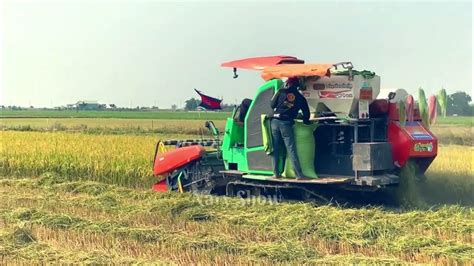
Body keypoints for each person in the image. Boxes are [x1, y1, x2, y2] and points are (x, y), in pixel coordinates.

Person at [270, 77, 311, 179]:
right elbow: (307, 114)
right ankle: (299, 174)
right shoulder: (300, 97)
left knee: (275, 148)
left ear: (288, 83)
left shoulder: (281, 92)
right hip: (286, 124)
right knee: (291, 149)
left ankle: (276, 173)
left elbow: (272, 105)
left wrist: (279, 90)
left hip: (274, 122)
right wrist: (305, 121)